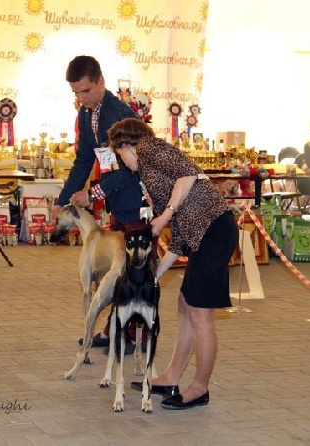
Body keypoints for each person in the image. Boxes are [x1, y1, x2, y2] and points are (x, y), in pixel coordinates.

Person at [108, 117, 239, 410]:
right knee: (185, 304)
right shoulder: (151, 175)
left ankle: (199, 388)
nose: (122, 163)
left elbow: (188, 174)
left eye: (119, 155)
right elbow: (178, 238)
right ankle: (169, 377)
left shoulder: (148, 147)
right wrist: (152, 274)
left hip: (214, 230)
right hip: (202, 235)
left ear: (125, 144)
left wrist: (164, 215)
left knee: (200, 314)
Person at [51, 55, 145, 350]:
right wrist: (63, 200)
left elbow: (133, 170)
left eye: (86, 91)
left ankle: (129, 335)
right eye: (76, 93)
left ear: (101, 82)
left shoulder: (122, 115)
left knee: (134, 271)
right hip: (116, 203)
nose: (81, 98)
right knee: (116, 272)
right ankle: (112, 330)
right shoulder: (85, 115)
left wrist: (93, 195)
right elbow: (83, 161)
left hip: (136, 203)